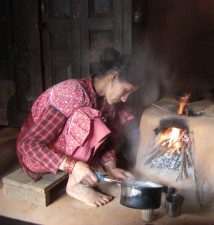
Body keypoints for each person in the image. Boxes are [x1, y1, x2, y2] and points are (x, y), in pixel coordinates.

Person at [16, 47, 140, 207]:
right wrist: (72, 166)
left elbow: (106, 141)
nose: (124, 99)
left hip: (61, 155)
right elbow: (28, 146)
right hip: (36, 157)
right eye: (126, 91)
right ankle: (75, 185)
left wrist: (111, 167)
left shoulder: (107, 101)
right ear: (113, 77)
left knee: (104, 121)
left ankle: (77, 172)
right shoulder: (72, 93)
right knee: (90, 118)